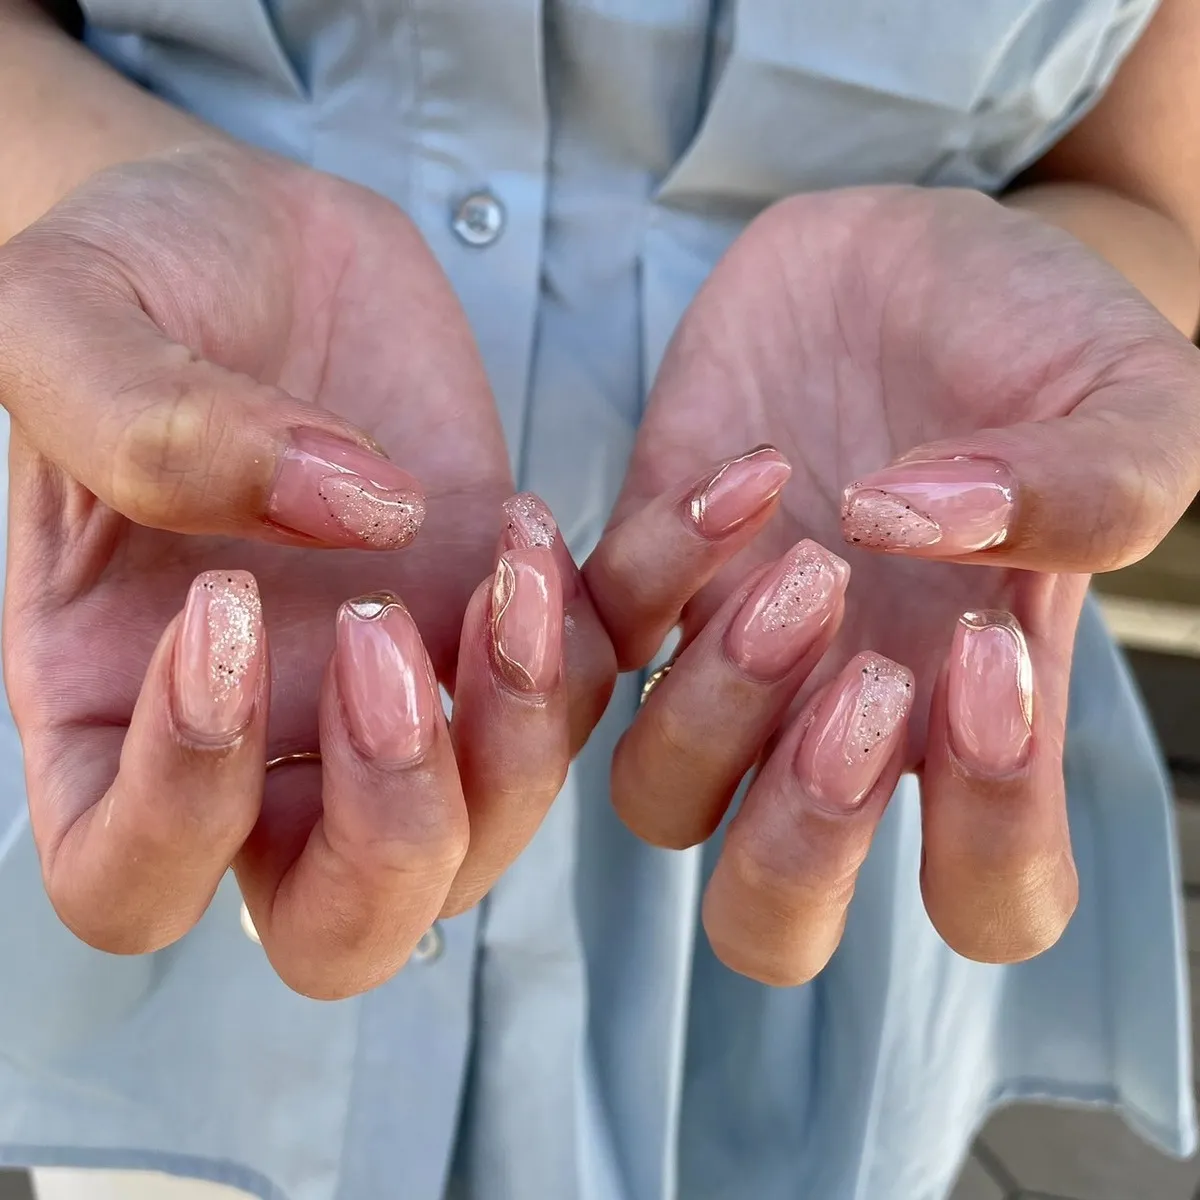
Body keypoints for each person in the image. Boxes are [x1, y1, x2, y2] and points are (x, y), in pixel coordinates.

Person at [0, 0, 1198, 1197]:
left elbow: (1148, 186)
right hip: (187, 609)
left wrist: (1031, 317)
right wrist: (106, 241)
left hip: (860, 667)